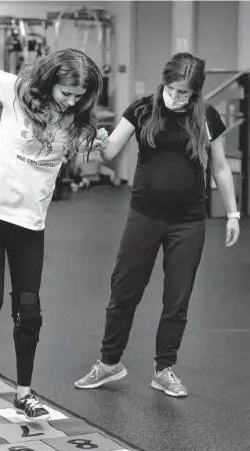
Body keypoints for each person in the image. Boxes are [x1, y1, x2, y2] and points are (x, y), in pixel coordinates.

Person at [0, 48, 106, 421]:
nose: (71, 101)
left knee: (29, 313)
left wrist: (99, 141)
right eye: (65, 93)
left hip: (30, 227)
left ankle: (23, 393)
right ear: (49, 82)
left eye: (79, 96)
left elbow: (89, 149)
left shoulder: (75, 120)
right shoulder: (16, 91)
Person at [75, 52, 240, 397]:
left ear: (195, 93)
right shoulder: (141, 110)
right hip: (144, 216)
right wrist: (98, 143)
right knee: (124, 292)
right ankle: (109, 364)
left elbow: (221, 166)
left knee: (176, 300)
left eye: (184, 93)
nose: (176, 97)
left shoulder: (205, 117)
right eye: (172, 89)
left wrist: (233, 213)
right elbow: (110, 151)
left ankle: (163, 369)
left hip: (189, 221)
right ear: (163, 81)